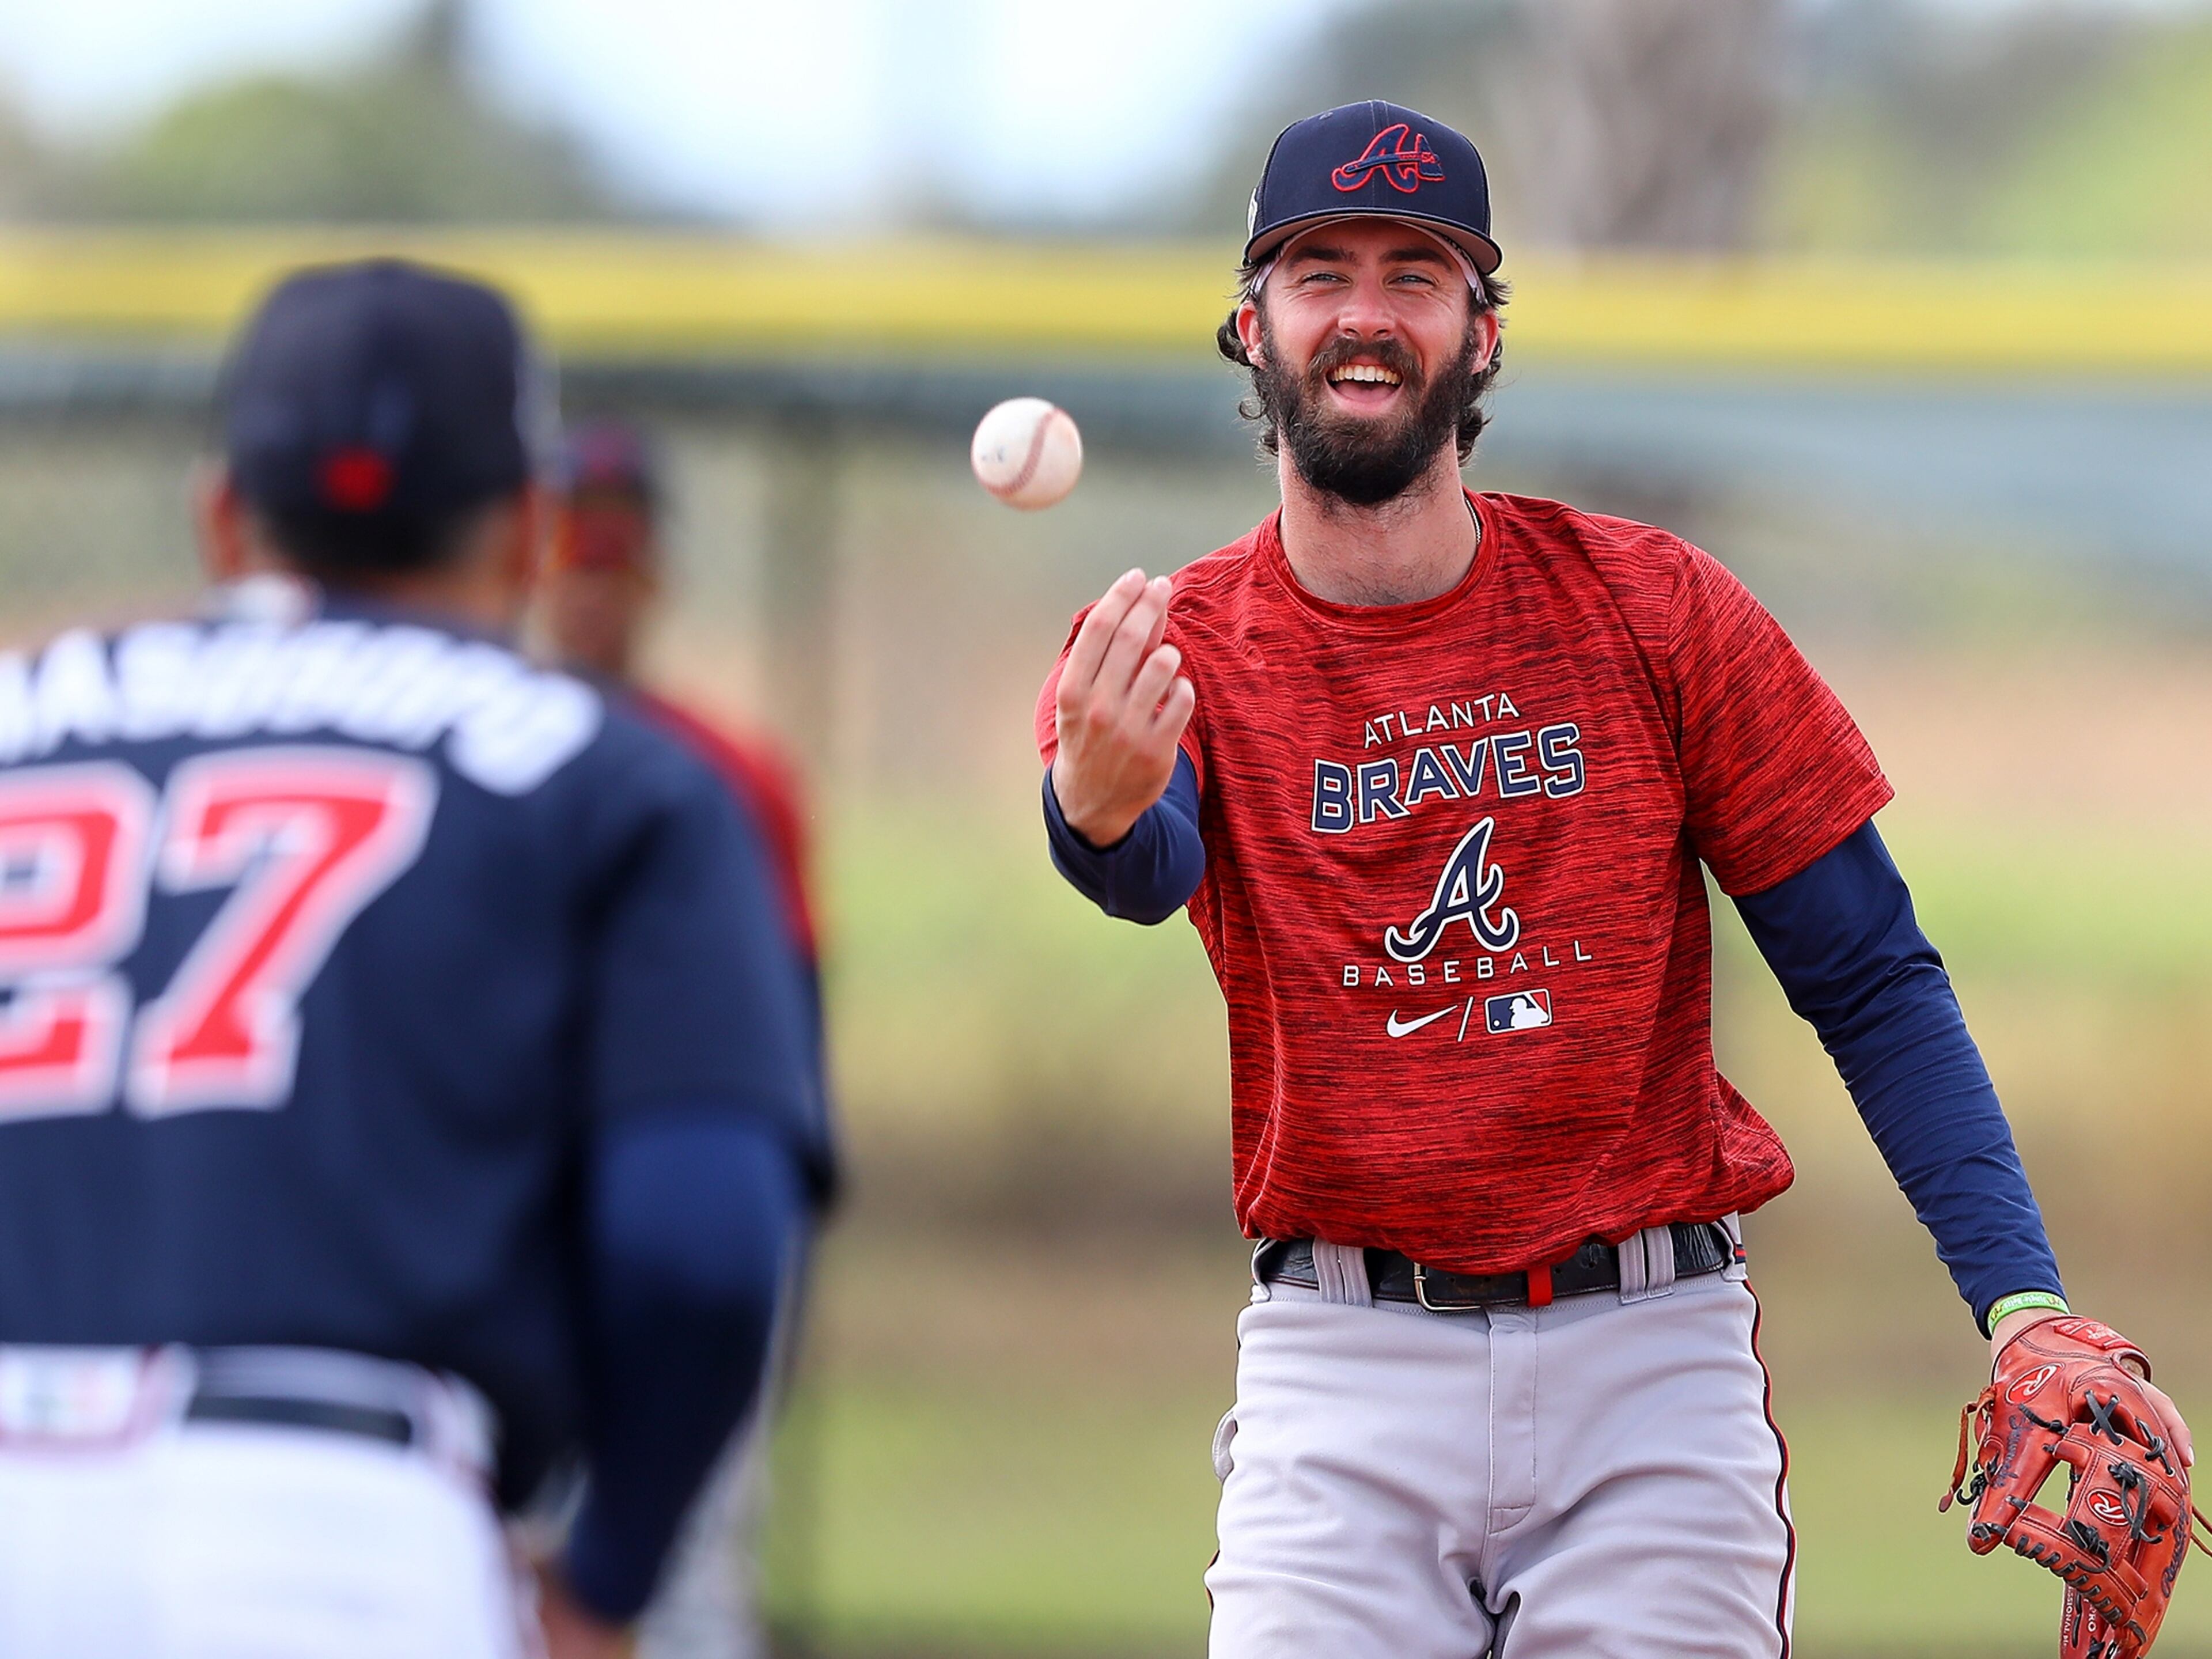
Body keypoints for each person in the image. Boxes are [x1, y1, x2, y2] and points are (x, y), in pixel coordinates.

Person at [1035, 101, 2195, 1657]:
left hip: (1648, 1363)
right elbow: (1147, 857)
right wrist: (1096, 815)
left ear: (1483, 336)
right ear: (1253, 324)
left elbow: (1866, 969)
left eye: (1416, 274)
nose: (1365, 316)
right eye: (1321, 271)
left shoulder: (1654, 611)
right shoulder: (1176, 642)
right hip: (1344, 1364)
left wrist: (2023, 1302)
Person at [0, 260, 818, 1659]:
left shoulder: (25, 715)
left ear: (218, 515)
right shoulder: (613, 774)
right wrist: (608, 1576)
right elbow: (702, 1251)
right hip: (332, 1531)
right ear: (531, 535)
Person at [541, 419, 838, 1659]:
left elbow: (790, 1043)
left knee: (691, 1566)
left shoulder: (729, 774)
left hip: (671, 1214)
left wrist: (779, 1239)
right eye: (574, 549)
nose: (595, 583)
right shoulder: (470, 748)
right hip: (508, 1233)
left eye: (617, 553)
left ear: (653, 571)